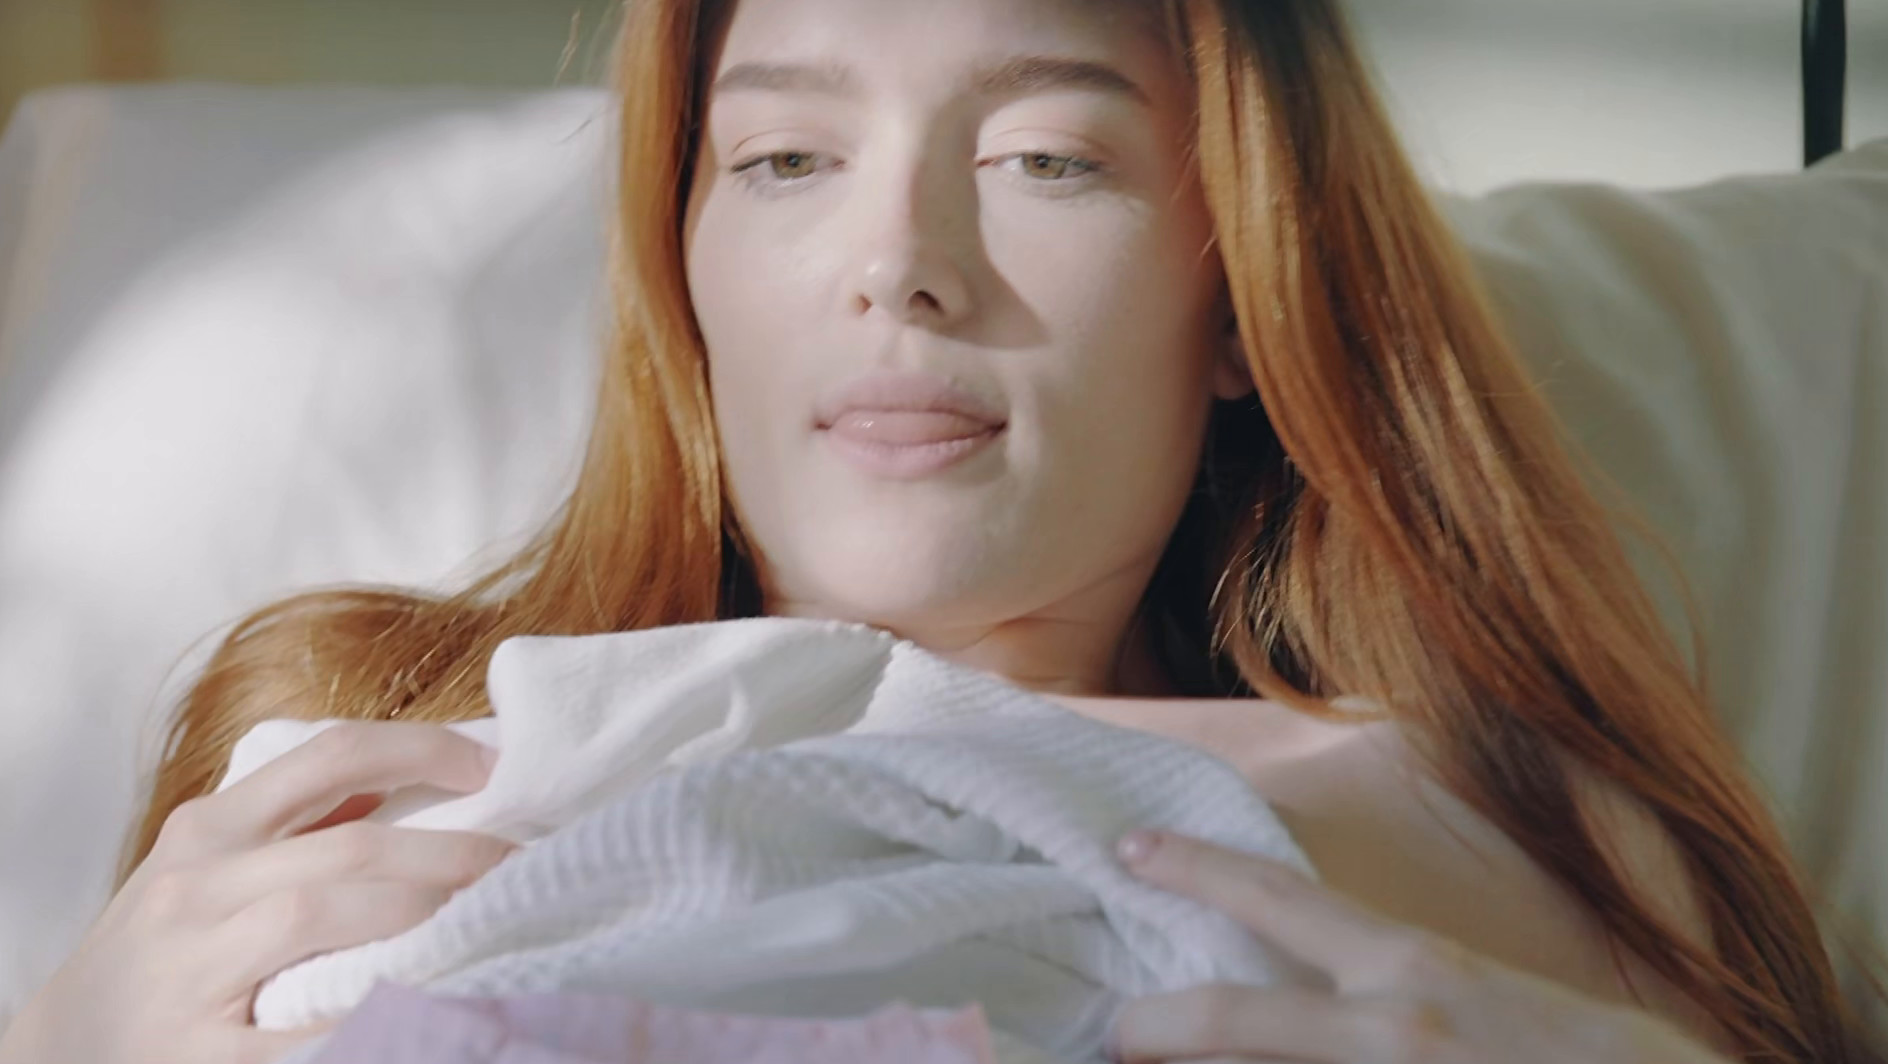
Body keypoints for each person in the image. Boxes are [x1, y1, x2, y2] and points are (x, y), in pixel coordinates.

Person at [1, 0, 1881, 1062]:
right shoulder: (347, 739)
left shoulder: (1525, 827)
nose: (898, 262)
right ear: (684, 265)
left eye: (1045, 158)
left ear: (1240, 295)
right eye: (785, 160)